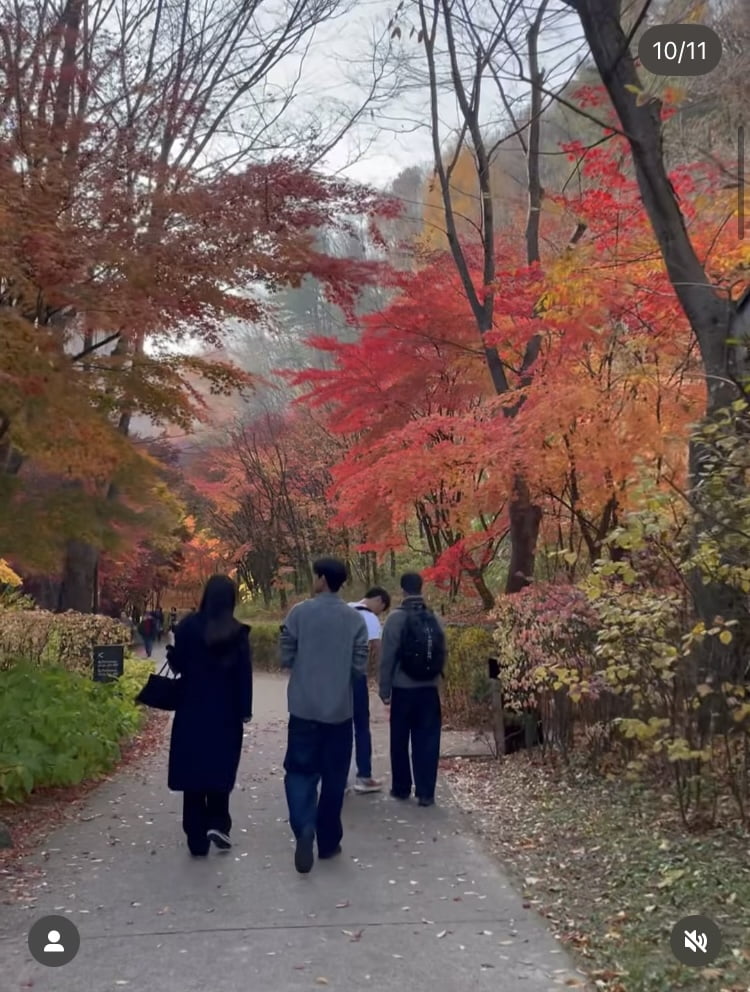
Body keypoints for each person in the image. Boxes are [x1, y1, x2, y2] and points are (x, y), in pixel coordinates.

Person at [280, 557, 368, 874]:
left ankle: (304, 826)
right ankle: (328, 840)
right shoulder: (354, 619)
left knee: (300, 772)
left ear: (320, 579)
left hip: (303, 708)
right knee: (334, 777)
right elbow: (360, 666)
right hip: (338, 711)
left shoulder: (299, 613)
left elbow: (285, 652)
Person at [166, 575, 252, 857]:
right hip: (225, 711)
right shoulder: (237, 631)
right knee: (220, 765)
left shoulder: (188, 626)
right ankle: (218, 822)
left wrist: (171, 650)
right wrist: (245, 709)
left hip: (191, 706)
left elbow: (178, 665)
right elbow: (244, 675)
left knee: (193, 771)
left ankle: (195, 835)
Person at [379, 572, 446, 807]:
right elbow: (440, 653)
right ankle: (426, 792)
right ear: (421, 587)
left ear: (403, 590)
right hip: (429, 689)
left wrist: (384, 689)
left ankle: (401, 787)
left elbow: (386, 657)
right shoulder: (435, 617)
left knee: (399, 739)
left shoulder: (396, 619)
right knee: (427, 740)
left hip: (403, 688)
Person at [346, 587, 391, 794]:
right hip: (356, 677)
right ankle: (364, 776)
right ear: (379, 602)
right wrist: (382, 681)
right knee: (361, 726)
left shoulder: (344, 609)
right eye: (382, 609)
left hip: (332, 679)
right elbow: (378, 650)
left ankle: (336, 778)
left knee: (337, 727)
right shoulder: (369, 617)